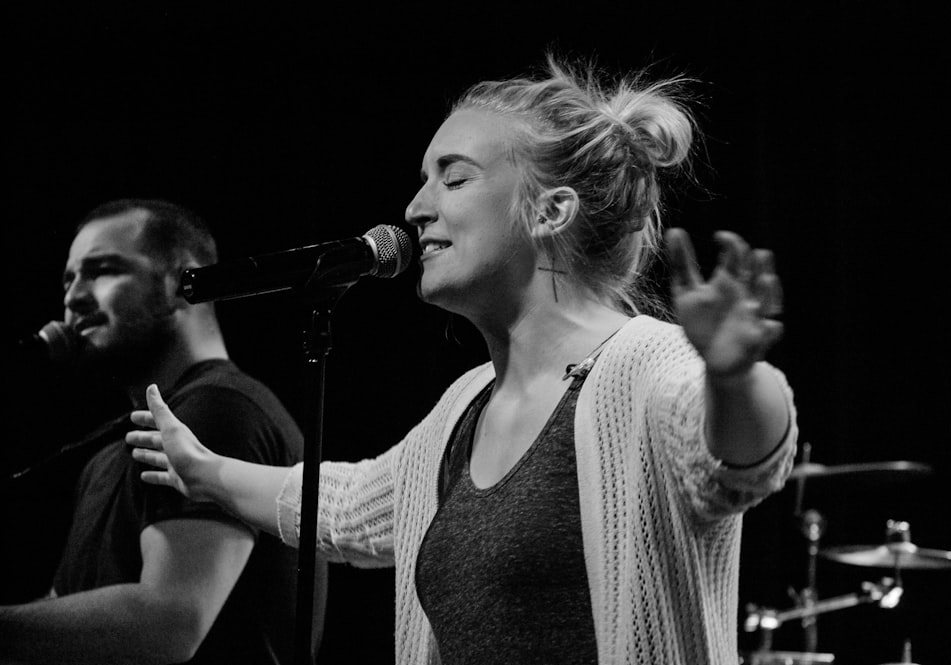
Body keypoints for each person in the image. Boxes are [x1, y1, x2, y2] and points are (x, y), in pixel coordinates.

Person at [127, 57, 797, 665]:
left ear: (551, 209)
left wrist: (734, 377)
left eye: (454, 177)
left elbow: (738, 464)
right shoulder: (463, 407)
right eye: (424, 182)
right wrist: (204, 470)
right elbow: (347, 506)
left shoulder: (650, 367)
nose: (417, 209)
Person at [0, 199, 325, 664]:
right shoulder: (108, 455)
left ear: (181, 283)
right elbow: (62, 617)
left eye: (103, 270)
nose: (72, 298)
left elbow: (169, 622)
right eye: (69, 278)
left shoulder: (220, 410)